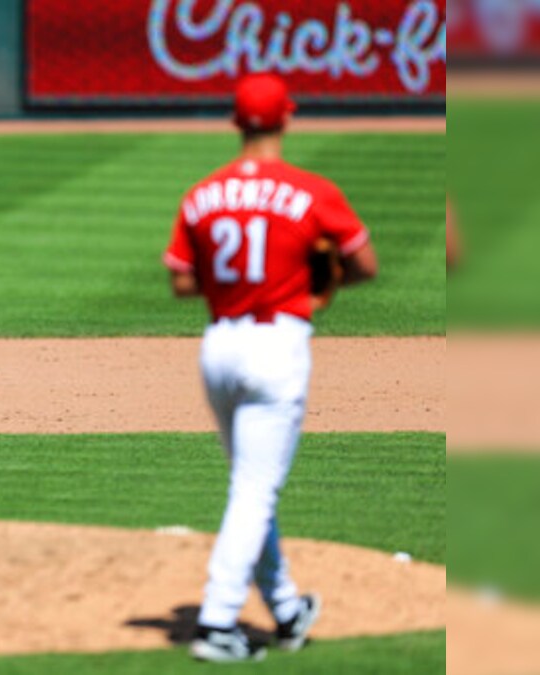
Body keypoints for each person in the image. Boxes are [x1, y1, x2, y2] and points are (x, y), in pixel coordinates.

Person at [162, 73, 379, 663]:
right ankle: (215, 622)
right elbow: (364, 262)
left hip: (219, 348)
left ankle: (284, 607)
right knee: (254, 490)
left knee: (250, 487)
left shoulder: (203, 193)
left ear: (237, 122)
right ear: (286, 117)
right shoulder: (311, 191)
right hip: (275, 348)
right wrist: (317, 286)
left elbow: (182, 280)